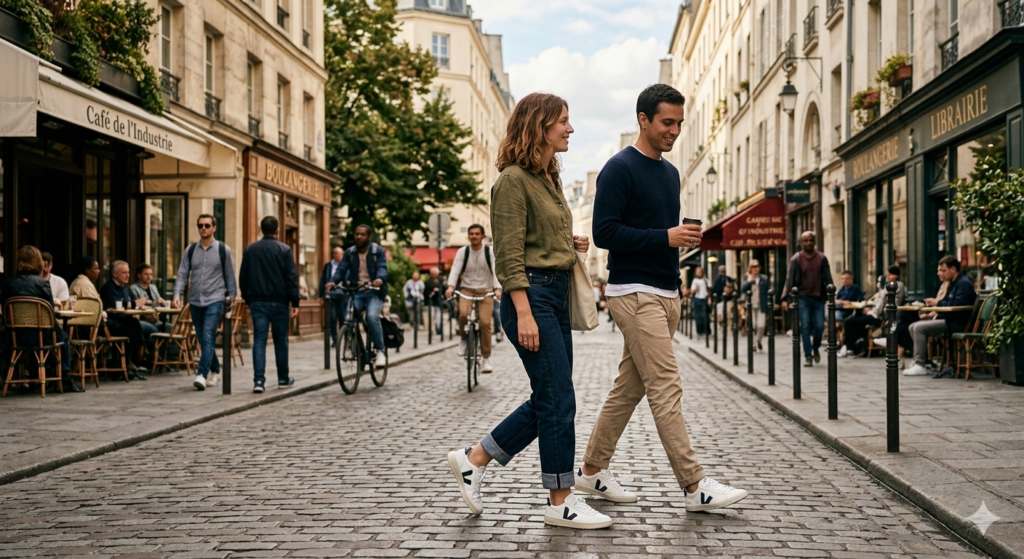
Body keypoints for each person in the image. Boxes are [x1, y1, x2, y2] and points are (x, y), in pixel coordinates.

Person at [578, 84, 747, 515]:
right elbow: (604, 234)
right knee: (666, 386)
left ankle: (593, 469)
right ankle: (694, 485)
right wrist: (665, 236)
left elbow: (659, 237)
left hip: (665, 290)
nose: (674, 131)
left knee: (628, 388)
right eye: (666, 122)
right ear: (643, 119)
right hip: (633, 292)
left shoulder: (670, 174)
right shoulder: (618, 168)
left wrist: (678, 250)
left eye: (679, 123)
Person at [446, 92, 609, 529]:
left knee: (551, 398)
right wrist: (523, 312)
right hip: (531, 298)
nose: (570, 129)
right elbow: (510, 254)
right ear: (539, 125)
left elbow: (539, 240)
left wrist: (570, 244)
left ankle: (474, 458)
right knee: (559, 400)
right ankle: (560, 500)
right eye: (563, 121)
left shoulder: (548, 178)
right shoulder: (512, 180)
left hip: (553, 296)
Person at [172, 214, 237, 391]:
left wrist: (232, 296)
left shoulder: (223, 250)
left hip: (215, 299)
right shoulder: (191, 250)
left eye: (207, 225)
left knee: (208, 335)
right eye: (200, 225)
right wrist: (176, 294)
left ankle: (201, 374)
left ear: (214, 228)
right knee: (202, 338)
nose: (203, 228)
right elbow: (182, 274)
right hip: (195, 300)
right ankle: (216, 370)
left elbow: (230, 276)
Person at [1, 245, 79, 392]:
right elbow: (48, 311)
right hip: (40, 336)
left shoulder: (8, 283)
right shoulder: (42, 283)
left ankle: (33, 378)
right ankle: (63, 378)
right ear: (38, 262)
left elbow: (4, 308)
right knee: (63, 337)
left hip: (14, 337)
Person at [239, 216, 300, 393]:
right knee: (281, 341)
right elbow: (291, 278)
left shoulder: (251, 249)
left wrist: (247, 298)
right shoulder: (285, 250)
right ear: (277, 231)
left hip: (258, 302)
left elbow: (244, 277)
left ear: (261, 229)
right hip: (280, 302)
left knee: (259, 340)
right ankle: (283, 378)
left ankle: (259, 381)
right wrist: (295, 301)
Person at [326, 224, 388, 369]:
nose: (359, 237)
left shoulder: (377, 251)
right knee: (349, 317)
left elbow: (382, 267)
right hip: (357, 291)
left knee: (372, 317)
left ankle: (380, 351)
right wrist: (333, 282)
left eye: (362, 234)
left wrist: (379, 279)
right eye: (357, 234)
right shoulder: (350, 252)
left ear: (369, 237)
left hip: (374, 291)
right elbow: (341, 269)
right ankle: (354, 346)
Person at [904, 255, 977, 377]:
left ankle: (920, 365)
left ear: (953, 269)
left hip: (958, 323)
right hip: (949, 320)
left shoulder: (963, 283)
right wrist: (932, 309)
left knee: (918, 328)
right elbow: (949, 304)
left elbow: (958, 305)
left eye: (943, 270)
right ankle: (919, 360)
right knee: (912, 326)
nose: (939, 273)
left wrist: (937, 303)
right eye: (939, 270)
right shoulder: (952, 283)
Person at [446, 224, 502, 374]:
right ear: (468, 236)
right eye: (471, 234)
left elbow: (496, 270)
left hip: (486, 290)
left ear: (482, 236)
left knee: (485, 323)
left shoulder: (489, 252)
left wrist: (497, 288)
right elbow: (455, 269)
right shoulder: (462, 252)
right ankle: (464, 338)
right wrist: (451, 287)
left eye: (477, 234)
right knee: (463, 314)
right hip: (467, 289)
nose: (474, 236)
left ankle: (486, 359)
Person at [782, 231, 834, 367]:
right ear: (801, 242)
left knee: (819, 326)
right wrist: (784, 299)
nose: (808, 243)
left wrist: (831, 295)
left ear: (814, 241)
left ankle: (815, 347)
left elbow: (828, 278)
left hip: (818, 298)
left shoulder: (821, 258)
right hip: (802, 298)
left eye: (811, 240)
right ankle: (808, 356)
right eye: (805, 241)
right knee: (804, 327)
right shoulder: (796, 259)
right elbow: (789, 280)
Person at [100, 260, 150, 380]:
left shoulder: (126, 288)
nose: (128, 275)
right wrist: (133, 304)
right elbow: (114, 306)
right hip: (108, 322)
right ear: (115, 274)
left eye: (128, 272)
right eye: (124, 273)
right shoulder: (108, 287)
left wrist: (133, 304)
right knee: (131, 330)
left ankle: (131, 360)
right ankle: (129, 361)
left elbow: (131, 303)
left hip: (123, 319)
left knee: (135, 324)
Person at [843, 267, 906, 358]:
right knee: (855, 319)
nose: (887, 277)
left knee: (849, 321)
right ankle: (860, 346)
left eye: (889, 275)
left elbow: (881, 304)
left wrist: (871, 312)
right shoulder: (896, 285)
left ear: (896, 275)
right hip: (880, 314)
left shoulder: (894, 285)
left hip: (881, 316)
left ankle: (851, 349)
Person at [130, 263, 169, 334]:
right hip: (144, 320)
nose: (149, 277)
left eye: (150, 274)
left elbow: (160, 304)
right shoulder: (133, 288)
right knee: (165, 329)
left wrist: (162, 302)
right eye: (146, 274)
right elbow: (136, 307)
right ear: (139, 275)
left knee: (174, 329)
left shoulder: (153, 287)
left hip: (157, 319)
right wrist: (155, 302)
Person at [741, 260, 769, 350]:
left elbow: (769, 292)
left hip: (761, 305)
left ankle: (758, 341)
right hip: (751, 305)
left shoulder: (764, 278)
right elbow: (743, 290)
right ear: (750, 268)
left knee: (761, 325)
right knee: (752, 325)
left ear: (759, 268)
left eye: (756, 266)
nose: (755, 269)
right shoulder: (747, 278)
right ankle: (753, 344)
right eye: (753, 267)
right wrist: (749, 282)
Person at [319, 246, 344, 344]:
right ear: (333, 254)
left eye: (340, 254)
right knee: (332, 318)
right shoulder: (328, 265)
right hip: (330, 295)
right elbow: (323, 280)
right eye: (336, 253)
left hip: (343, 295)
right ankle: (335, 339)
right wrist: (321, 295)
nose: (338, 256)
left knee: (343, 318)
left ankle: (344, 339)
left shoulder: (345, 266)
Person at [423, 266, 445, 337]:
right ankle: (432, 330)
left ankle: (439, 329)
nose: (435, 274)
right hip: (431, 301)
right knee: (431, 316)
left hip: (439, 301)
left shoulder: (440, 280)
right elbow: (425, 292)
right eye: (433, 273)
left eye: (436, 273)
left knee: (438, 317)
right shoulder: (428, 282)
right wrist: (432, 292)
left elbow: (444, 289)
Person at [688, 267, 709, 335]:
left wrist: (709, 297)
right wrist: (696, 289)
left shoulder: (705, 280)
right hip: (697, 299)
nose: (699, 273)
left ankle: (706, 330)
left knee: (705, 315)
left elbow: (709, 289)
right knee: (698, 316)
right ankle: (700, 331)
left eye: (700, 271)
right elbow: (691, 291)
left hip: (704, 299)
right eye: (698, 272)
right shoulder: (695, 280)